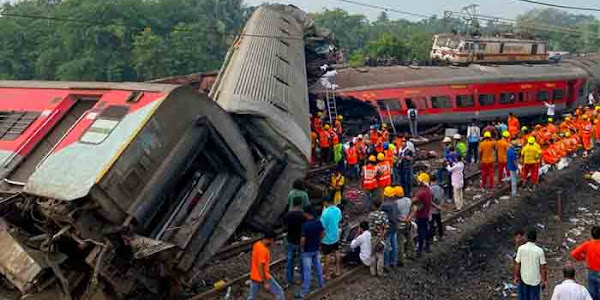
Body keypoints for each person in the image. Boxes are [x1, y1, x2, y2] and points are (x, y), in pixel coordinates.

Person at [247, 230, 285, 300]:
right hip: (263, 276)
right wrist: (266, 282)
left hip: (254, 276)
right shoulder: (263, 250)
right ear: (271, 239)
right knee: (279, 292)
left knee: (252, 297)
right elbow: (261, 267)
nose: (273, 243)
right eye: (273, 241)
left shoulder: (256, 244)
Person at [514, 229, 548, 300]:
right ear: (536, 239)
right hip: (535, 280)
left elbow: (517, 264)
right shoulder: (539, 251)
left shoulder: (521, 249)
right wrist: (544, 280)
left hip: (523, 278)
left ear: (527, 238)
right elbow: (543, 268)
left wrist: (516, 276)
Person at [300, 209, 325, 298]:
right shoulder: (318, 223)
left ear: (308, 214)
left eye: (305, 214)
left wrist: (302, 248)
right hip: (316, 249)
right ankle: (322, 284)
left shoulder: (305, 225)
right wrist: (319, 242)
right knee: (318, 267)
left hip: (307, 251)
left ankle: (305, 290)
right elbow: (323, 233)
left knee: (307, 271)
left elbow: (303, 239)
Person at [571, 226, 600, 300]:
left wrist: (582, 258)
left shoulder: (588, 244)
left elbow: (574, 253)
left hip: (592, 272)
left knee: (592, 293)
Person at [285, 197, 306, 288]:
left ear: (293, 204)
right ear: (301, 204)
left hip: (290, 240)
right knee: (302, 260)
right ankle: (302, 279)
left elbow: (285, 228)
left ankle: (289, 279)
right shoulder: (303, 216)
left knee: (290, 260)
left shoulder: (288, 215)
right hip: (301, 241)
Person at [320, 197, 342, 280]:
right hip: (336, 235)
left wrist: (320, 239)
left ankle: (327, 274)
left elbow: (322, 228)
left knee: (327, 255)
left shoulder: (325, 213)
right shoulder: (337, 210)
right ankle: (338, 270)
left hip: (327, 238)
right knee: (337, 252)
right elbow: (339, 221)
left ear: (326, 202)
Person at [412, 172, 432, 257]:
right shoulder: (428, 190)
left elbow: (413, 201)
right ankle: (427, 246)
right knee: (426, 230)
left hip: (421, 215)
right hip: (426, 213)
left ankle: (420, 249)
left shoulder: (421, 192)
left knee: (420, 232)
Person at [395, 186, 414, 265]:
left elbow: (395, 216)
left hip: (400, 225)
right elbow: (413, 209)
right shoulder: (408, 200)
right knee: (409, 239)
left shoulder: (396, 203)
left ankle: (401, 260)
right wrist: (409, 218)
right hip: (408, 223)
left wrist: (402, 220)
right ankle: (411, 254)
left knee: (400, 243)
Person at [381, 186, 400, 269]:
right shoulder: (395, 203)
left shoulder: (385, 206)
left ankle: (386, 264)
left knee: (387, 246)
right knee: (394, 244)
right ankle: (394, 262)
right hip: (395, 226)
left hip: (388, 228)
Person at [368, 201, 388, 276]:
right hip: (382, 237)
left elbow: (370, 227)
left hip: (374, 237)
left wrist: (377, 233)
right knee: (380, 255)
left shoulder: (371, 215)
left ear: (374, 206)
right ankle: (380, 272)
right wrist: (382, 234)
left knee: (373, 254)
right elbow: (386, 226)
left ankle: (372, 271)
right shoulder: (384, 214)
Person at [429, 175, 444, 241]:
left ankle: (433, 236)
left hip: (432, 210)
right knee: (439, 222)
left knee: (432, 224)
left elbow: (430, 201)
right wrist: (440, 206)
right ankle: (441, 235)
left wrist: (436, 206)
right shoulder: (440, 188)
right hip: (438, 209)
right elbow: (443, 198)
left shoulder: (430, 189)